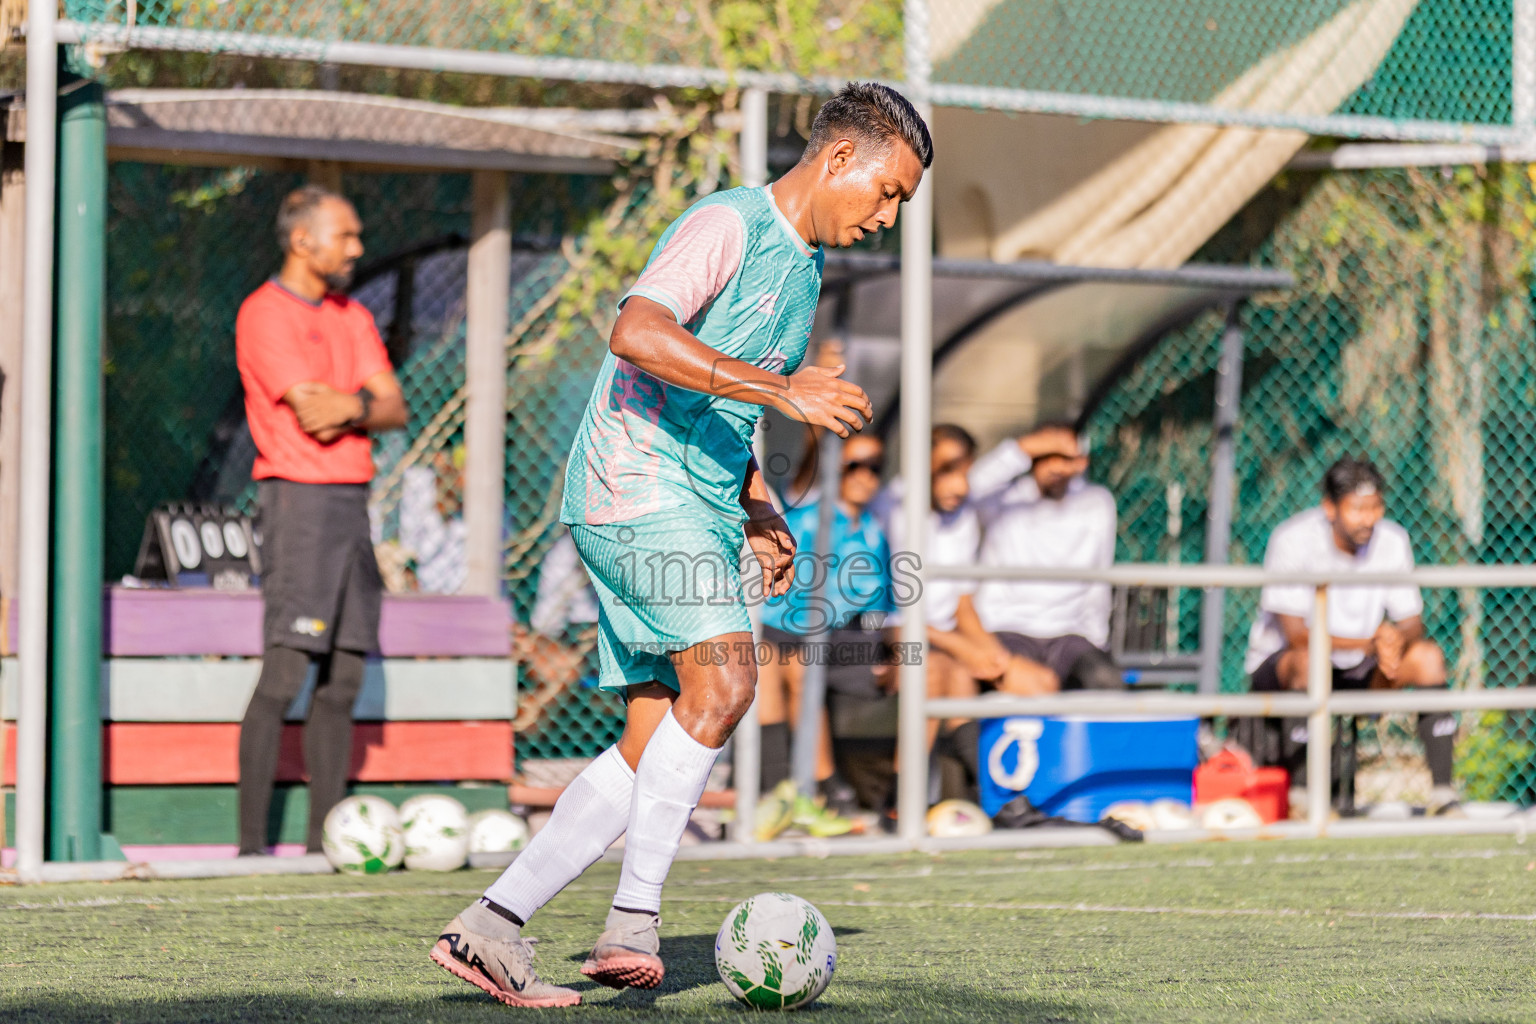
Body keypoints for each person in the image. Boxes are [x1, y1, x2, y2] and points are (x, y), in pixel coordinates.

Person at [429, 82, 931, 1008]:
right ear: (838, 160)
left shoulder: (805, 268)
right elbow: (637, 331)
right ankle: (634, 921)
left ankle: (491, 929)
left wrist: (759, 506)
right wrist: (784, 394)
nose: (889, 215)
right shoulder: (728, 226)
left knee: (654, 733)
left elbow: (726, 407)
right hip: (636, 485)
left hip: (694, 501)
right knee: (730, 681)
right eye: (888, 191)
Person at [234, 185, 407, 856]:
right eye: (346, 235)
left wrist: (351, 405)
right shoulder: (264, 313)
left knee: (343, 676)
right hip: (298, 501)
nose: (357, 248)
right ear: (302, 240)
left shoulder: (353, 315)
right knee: (285, 671)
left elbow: (393, 407)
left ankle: (324, 843)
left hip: (351, 504)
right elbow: (310, 410)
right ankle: (251, 849)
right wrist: (358, 401)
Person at [1240, 457, 1457, 814]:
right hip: (1291, 669)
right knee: (1309, 662)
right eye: (1357, 509)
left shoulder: (1392, 539)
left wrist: (1392, 640)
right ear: (1330, 508)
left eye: (1375, 507)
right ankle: (1304, 799)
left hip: (1363, 668)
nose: (1368, 518)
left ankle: (1444, 796)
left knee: (1427, 658)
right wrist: (1369, 643)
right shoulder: (1292, 539)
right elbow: (1296, 635)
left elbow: (1411, 621)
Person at [754, 432, 893, 836]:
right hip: (784, 621)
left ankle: (810, 790)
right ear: (834, 470)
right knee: (778, 671)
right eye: (854, 467)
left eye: (874, 468)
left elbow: (880, 608)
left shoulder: (873, 527)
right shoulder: (808, 510)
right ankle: (786, 790)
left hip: (842, 636)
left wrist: (893, 651)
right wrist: (817, 420)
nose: (865, 476)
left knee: (803, 673)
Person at [955, 421, 1123, 695]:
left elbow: (1099, 576)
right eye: (1046, 457)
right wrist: (1029, 445)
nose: (1055, 467)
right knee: (1021, 689)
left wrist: (1097, 637)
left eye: (1064, 458)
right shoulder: (1003, 498)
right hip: (1008, 631)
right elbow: (966, 487)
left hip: (1072, 637)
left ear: (1080, 463)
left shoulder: (1097, 502)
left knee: (1106, 684)